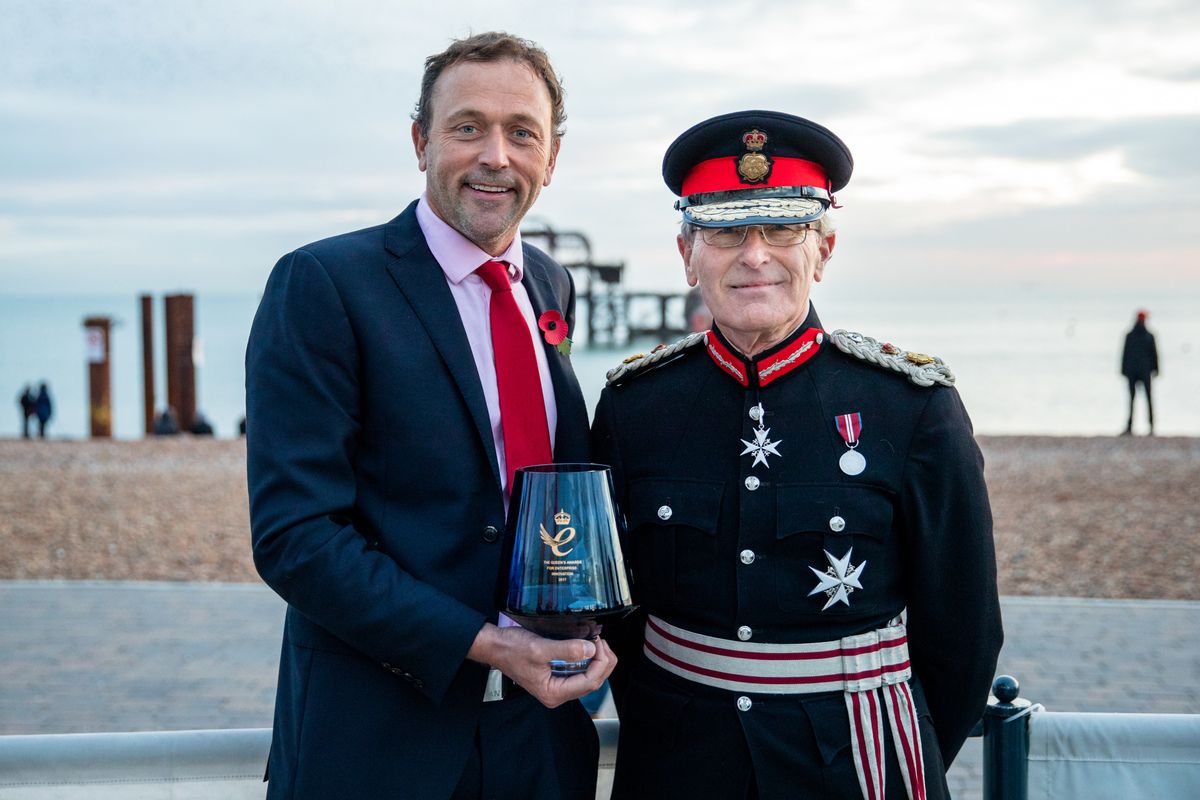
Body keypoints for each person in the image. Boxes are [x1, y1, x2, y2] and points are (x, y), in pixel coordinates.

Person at [245, 32, 614, 800]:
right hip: (380, 741)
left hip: (539, 741)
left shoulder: (549, 285)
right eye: (467, 127)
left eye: (522, 133)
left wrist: (589, 623)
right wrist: (482, 645)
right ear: (421, 141)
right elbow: (295, 539)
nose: (495, 157)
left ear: (553, 158)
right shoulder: (323, 284)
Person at [592, 111, 1003, 800]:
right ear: (686, 251)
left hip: (856, 760)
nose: (755, 255)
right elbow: (621, 609)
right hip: (676, 761)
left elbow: (963, 633)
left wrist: (904, 744)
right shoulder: (635, 407)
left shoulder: (911, 407)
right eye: (724, 231)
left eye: (783, 227)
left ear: (825, 248)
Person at [1121, 310, 1158, 435]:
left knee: (1143, 399)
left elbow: (1154, 354)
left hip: (1141, 371)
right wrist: (1123, 370)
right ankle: (1133, 426)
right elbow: (1125, 354)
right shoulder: (1133, 335)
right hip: (1137, 371)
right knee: (1136, 399)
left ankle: (1150, 427)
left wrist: (1156, 369)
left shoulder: (1144, 336)